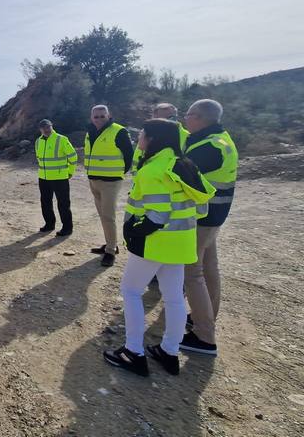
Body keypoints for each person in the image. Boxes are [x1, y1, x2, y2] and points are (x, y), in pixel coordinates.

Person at [104, 119, 215, 376]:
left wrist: (132, 231)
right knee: (174, 296)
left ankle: (133, 352)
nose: (138, 139)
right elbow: (202, 208)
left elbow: (157, 217)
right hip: (180, 243)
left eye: (142, 134)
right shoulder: (185, 164)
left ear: (152, 138)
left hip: (154, 243)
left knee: (131, 291)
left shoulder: (152, 170)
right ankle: (169, 351)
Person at [179, 99, 238, 356]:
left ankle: (204, 336)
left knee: (192, 273)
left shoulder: (208, 147)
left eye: (188, 114)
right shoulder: (220, 139)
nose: (185, 119)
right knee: (209, 268)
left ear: (200, 118)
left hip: (202, 217)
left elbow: (180, 176)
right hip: (213, 216)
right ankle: (206, 316)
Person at [84, 105, 134, 266]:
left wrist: (118, 173)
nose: (99, 119)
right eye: (96, 116)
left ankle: (111, 251)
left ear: (108, 115)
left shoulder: (119, 131)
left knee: (108, 216)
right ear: (91, 117)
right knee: (103, 215)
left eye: (102, 116)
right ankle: (110, 244)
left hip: (111, 182)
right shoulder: (90, 131)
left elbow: (129, 155)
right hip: (94, 180)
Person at [34, 119, 77, 236]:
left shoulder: (61, 139)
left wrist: (70, 172)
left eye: (48, 127)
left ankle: (67, 228)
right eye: (43, 127)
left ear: (52, 126)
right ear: (40, 129)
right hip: (43, 178)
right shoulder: (38, 141)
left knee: (63, 204)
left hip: (60, 178)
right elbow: (39, 158)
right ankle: (49, 224)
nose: (46, 129)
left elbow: (73, 157)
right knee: (45, 202)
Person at [132, 103, 189, 170]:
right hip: (144, 173)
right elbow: (138, 155)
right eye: (156, 119)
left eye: (164, 119)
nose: (158, 123)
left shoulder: (187, 136)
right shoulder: (148, 132)